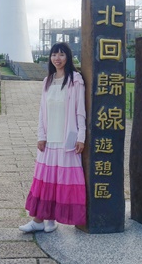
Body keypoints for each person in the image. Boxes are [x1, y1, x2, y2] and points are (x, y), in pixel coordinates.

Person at [19, 42, 87, 233]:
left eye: (62, 54)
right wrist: (41, 135)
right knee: (45, 181)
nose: (57, 58)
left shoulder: (76, 79)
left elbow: (80, 110)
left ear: (68, 57)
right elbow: (42, 111)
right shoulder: (47, 81)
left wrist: (81, 136)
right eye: (54, 55)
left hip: (68, 141)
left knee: (62, 181)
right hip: (49, 141)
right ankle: (40, 220)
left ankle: (50, 220)